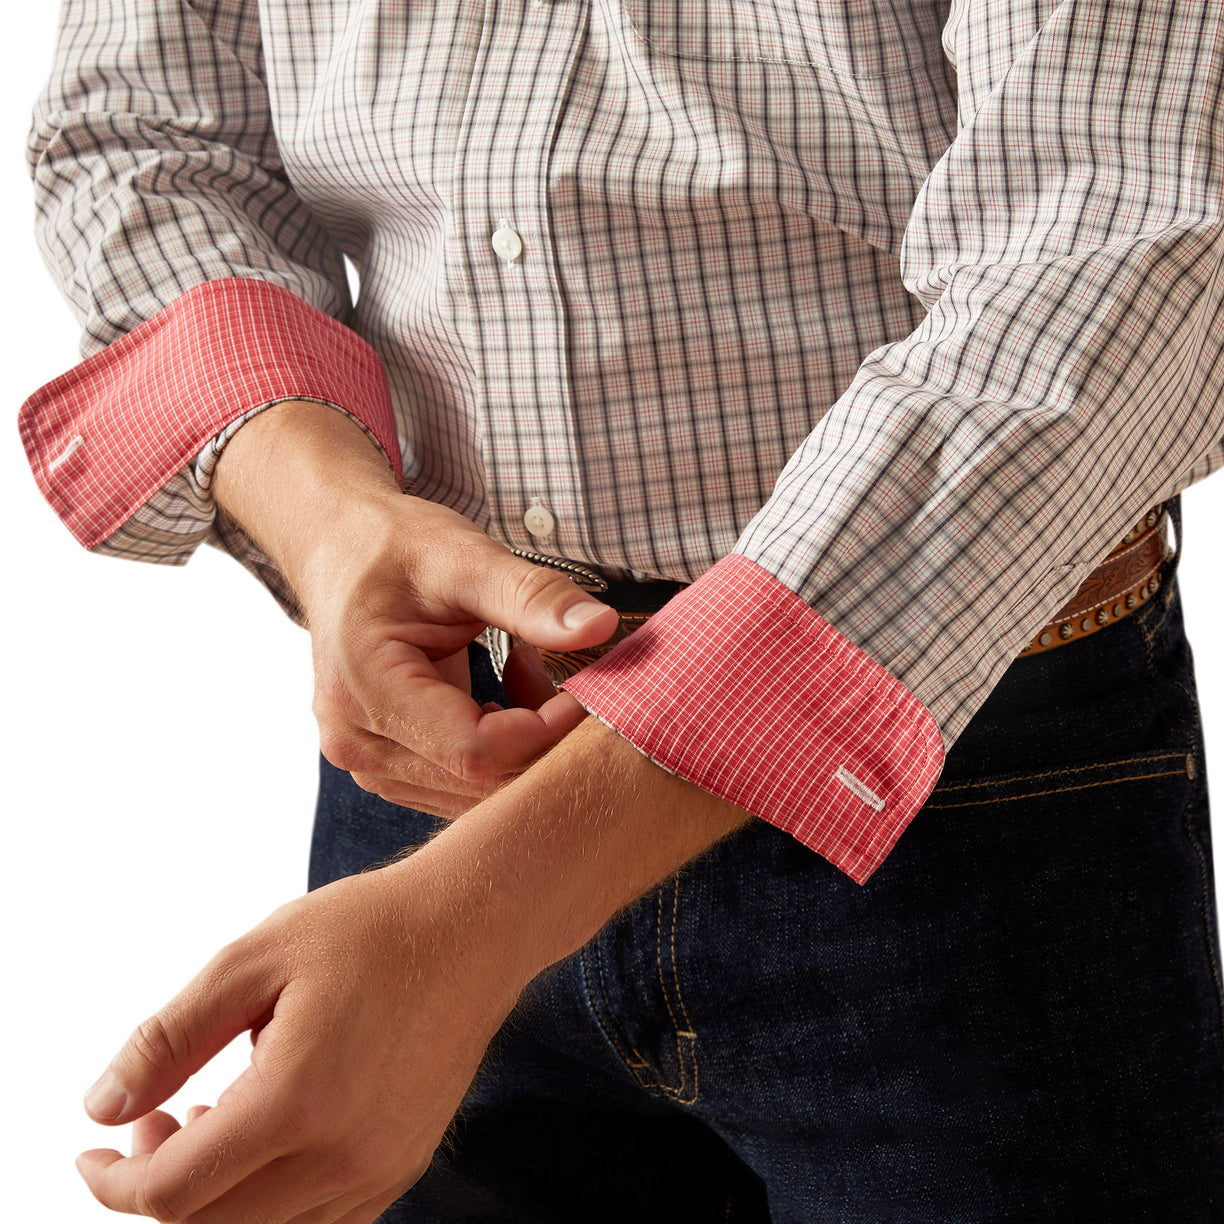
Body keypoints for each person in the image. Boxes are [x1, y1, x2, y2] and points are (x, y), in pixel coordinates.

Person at [21, 0, 1224, 1219]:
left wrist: (473, 924)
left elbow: (1122, 236)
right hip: (442, 755)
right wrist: (330, 520)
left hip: (962, 773)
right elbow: (140, 133)